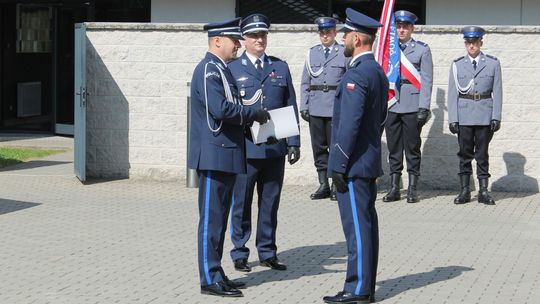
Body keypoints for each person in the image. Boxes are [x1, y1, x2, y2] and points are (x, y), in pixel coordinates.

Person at [188, 17, 271, 298]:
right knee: (211, 221)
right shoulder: (209, 70)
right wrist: (253, 114)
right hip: (214, 156)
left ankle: (217, 272)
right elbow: (221, 109)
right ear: (217, 41)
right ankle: (209, 278)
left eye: (239, 40)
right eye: (234, 40)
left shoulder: (221, 69)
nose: (238, 45)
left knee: (220, 221)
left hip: (225, 154)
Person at [323, 8, 388, 304]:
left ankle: (358, 288)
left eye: (346, 35)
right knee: (366, 226)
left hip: (353, 165)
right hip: (366, 161)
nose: (342, 40)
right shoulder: (377, 72)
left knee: (357, 229)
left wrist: (336, 164)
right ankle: (365, 287)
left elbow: (348, 125)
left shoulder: (358, 74)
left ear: (358, 38)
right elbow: (381, 117)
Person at [228, 14, 301, 273]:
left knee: (270, 202)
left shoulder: (279, 67)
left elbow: (290, 104)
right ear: (244, 39)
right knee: (242, 202)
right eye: (254, 36)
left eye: (263, 35)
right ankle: (239, 252)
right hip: (246, 149)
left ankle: (268, 251)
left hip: (274, 148)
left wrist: (294, 142)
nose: (260, 40)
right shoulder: (233, 69)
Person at [447, 26, 502, 205]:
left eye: (475, 42)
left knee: (482, 154)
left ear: (481, 42)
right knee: (464, 154)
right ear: (465, 43)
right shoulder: (457, 65)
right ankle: (464, 191)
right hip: (463, 115)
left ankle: (484, 191)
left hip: (485, 114)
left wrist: (496, 116)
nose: (472, 46)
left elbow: (498, 91)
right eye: (468, 42)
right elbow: (452, 93)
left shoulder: (493, 63)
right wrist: (453, 118)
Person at [382, 10, 433, 204]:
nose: (402, 30)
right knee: (394, 149)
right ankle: (395, 187)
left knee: (412, 148)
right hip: (392, 103)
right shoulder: (388, 49)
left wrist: (424, 107)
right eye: (399, 26)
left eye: (405, 26)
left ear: (412, 28)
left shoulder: (422, 49)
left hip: (412, 104)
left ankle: (412, 189)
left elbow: (427, 80)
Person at [300, 17, 348, 201]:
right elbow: (306, 82)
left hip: (335, 108)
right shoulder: (312, 53)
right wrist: (304, 106)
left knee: (335, 146)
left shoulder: (344, 53)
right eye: (322, 32)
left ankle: (336, 183)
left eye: (328, 32)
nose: (325, 35)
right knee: (318, 147)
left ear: (335, 32)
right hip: (316, 106)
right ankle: (323, 184)